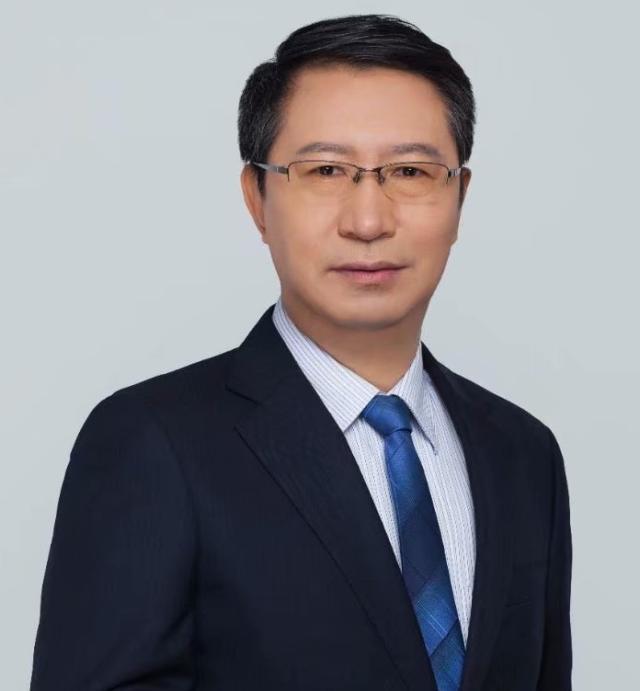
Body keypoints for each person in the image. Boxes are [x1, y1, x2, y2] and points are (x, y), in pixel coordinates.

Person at [29, 13, 572, 691]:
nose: (368, 221)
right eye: (325, 170)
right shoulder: (153, 444)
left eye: (410, 170)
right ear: (257, 197)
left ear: (459, 196)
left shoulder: (524, 455)